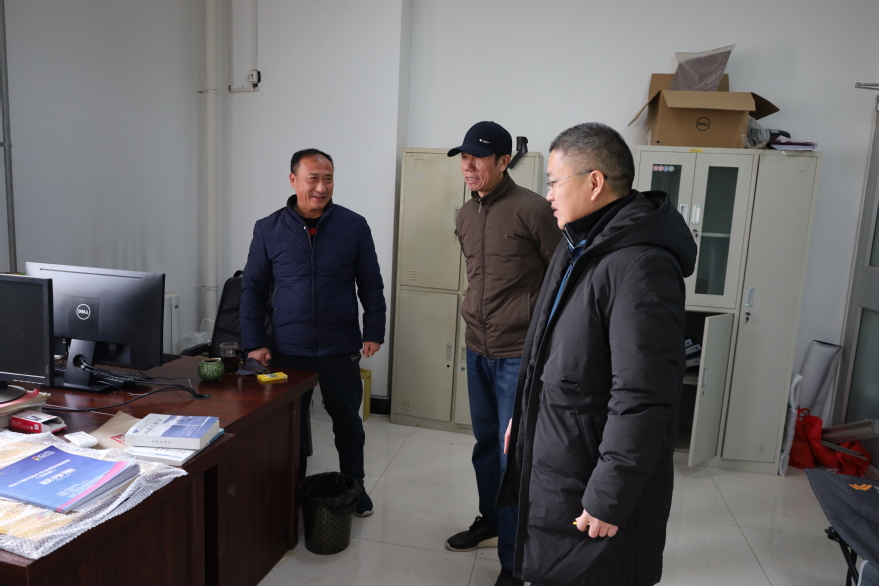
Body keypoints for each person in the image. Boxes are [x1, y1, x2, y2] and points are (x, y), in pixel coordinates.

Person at [498, 122, 697, 586]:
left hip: (592, 475)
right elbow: (547, 351)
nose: (548, 194)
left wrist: (609, 495)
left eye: (554, 181)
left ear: (594, 182)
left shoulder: (642, 266)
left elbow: (644, 395)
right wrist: (522, 417)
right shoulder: (579, 244)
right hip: (563, 452)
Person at [444, 121, 561, 586]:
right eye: (464, 157)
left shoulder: (534, 210)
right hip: (477, 347)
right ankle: (490, 520)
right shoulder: (464, 215)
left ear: (504, 161)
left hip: (517, 352)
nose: (468, 166)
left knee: (514, 456)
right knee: (486, 445)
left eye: (478, 157)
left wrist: (546, 341)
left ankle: (514, 560)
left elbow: (561, 277)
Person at [240, 148, 386, 518]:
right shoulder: (268, 229)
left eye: (328, 179)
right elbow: (252, 290)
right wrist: (254, 343)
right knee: (289, 428)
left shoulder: (354, 226)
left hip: (340, 347)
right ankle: (291, 491)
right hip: (288, 350)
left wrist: (374, 331)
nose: (321, 188)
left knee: (348, 425)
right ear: (294, 181)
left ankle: (355, 487)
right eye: (313, 179)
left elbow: (371, 285)